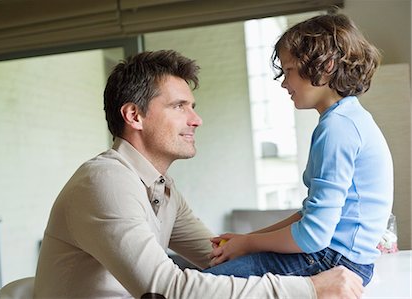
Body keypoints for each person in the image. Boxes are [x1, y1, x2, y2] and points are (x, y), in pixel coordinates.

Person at [34, 49, 364, 298]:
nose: (196, 119)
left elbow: (217, 256)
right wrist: (308, 289)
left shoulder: (162, 189)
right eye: (180, 107)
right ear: (134, 115)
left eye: (192, 106)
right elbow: (165, 290)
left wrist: (325, 245)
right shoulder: (105, 182)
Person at [203, 13, 393, 288]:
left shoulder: (337, 128)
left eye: (288, 70)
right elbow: (310, 216)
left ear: (326, 66)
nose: (283, 83)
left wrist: (249, 243)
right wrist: (246, 240)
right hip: (344, 259)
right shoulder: (349, 119)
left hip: (332, 261)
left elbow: (313, 236)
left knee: (202, 286)